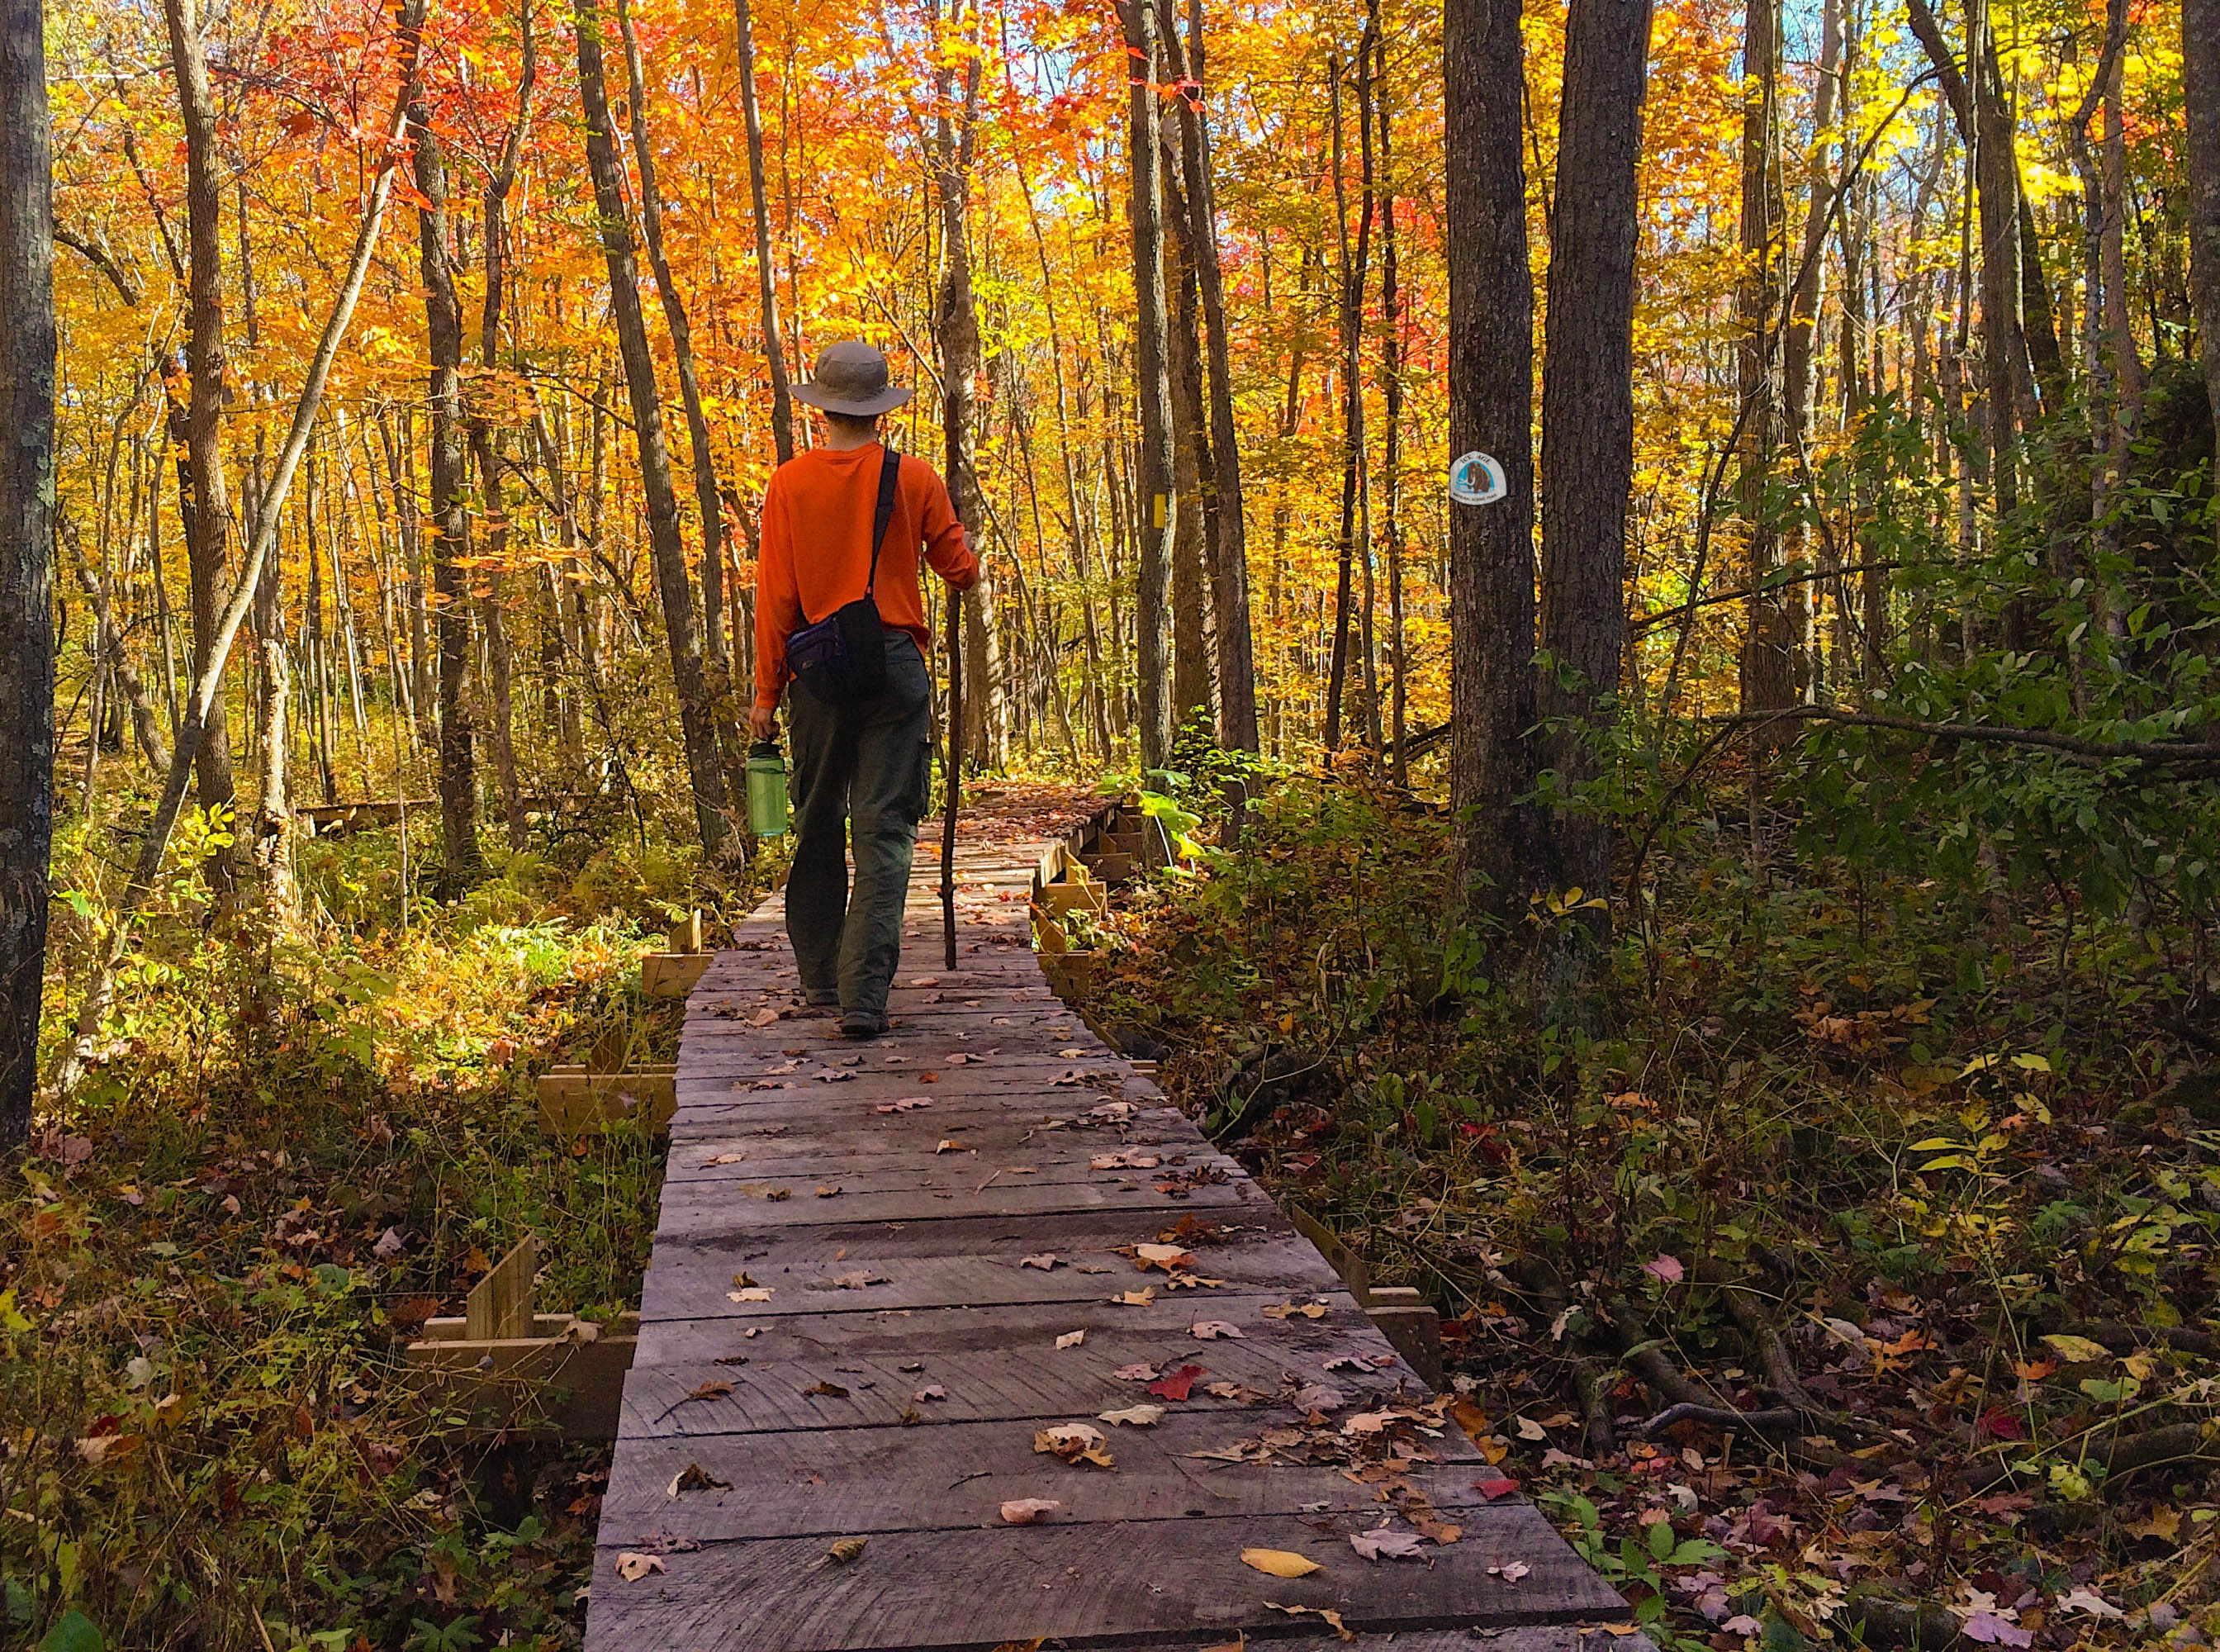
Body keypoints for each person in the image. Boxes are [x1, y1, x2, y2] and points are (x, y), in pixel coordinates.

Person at [752, 340, 979, 1037]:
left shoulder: (790, 484)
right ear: (880, 409)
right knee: (885, 831)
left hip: (817, 668)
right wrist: (967, 561)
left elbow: (776, 597)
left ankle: (821, 980)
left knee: (818, 819)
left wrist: (766, 694)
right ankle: (864, 998)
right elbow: (959, 570)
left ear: (822, 406)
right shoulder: (915, 478)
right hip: (894, 665)